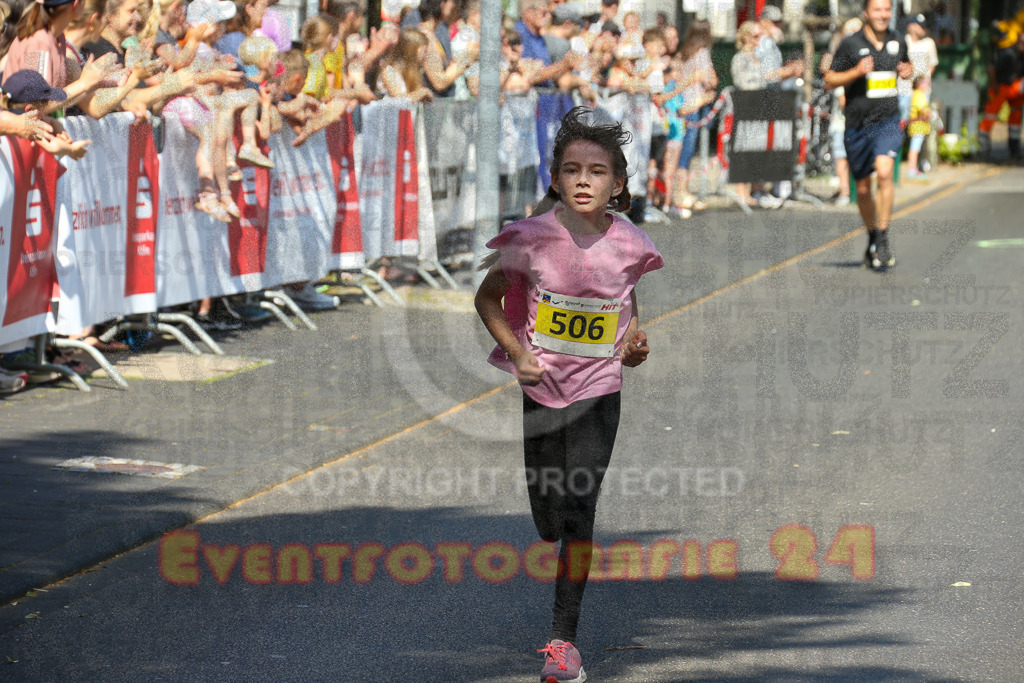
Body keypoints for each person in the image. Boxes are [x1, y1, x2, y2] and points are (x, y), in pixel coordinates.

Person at [474, 107, 664, 683]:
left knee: (579, 507)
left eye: (598, 171)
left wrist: (633, 343)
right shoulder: (530, 240)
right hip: (542, 391)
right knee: (548, 516)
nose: (585, 180)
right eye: (574, 170)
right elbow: (486, 299)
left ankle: (564, 643)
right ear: (555, 179)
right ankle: (554, 528)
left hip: (599, 391)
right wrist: (519, 352)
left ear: (618, 184)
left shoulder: (631, 244)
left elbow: (624, 304)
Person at [825, 0, 912, 271]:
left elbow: (909, 70)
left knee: (885, 173)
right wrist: (855, 72)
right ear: (866, 13)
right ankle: (873, 235)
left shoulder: (899, 40)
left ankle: (883, 235)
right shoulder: (851, 44)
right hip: (857, 124)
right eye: (877, 10)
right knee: (862, 188)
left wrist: (908, 72)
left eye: (887, 10)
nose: (883, 15)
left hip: (887, 121)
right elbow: (829, 79)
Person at [979, 29, 1024, 161]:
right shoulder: (1008, 54)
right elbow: (991, 69)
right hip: (1000, 87)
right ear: (1018, 43)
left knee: (1016, 116)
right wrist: (996, 86)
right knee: (990, 116)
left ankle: (1014, 147)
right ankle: (983, 148)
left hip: (1014, 88)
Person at [905, 76, 931, 177]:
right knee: (915, 149)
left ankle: (913, 169)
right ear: (919, 84)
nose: (927, 84)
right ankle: (912, 170)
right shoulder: (919, 94)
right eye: (925, 82)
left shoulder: (917, 94)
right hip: (918, 125)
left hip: (918, 125)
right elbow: (922, 111)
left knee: (916, 148)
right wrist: (929, 114)